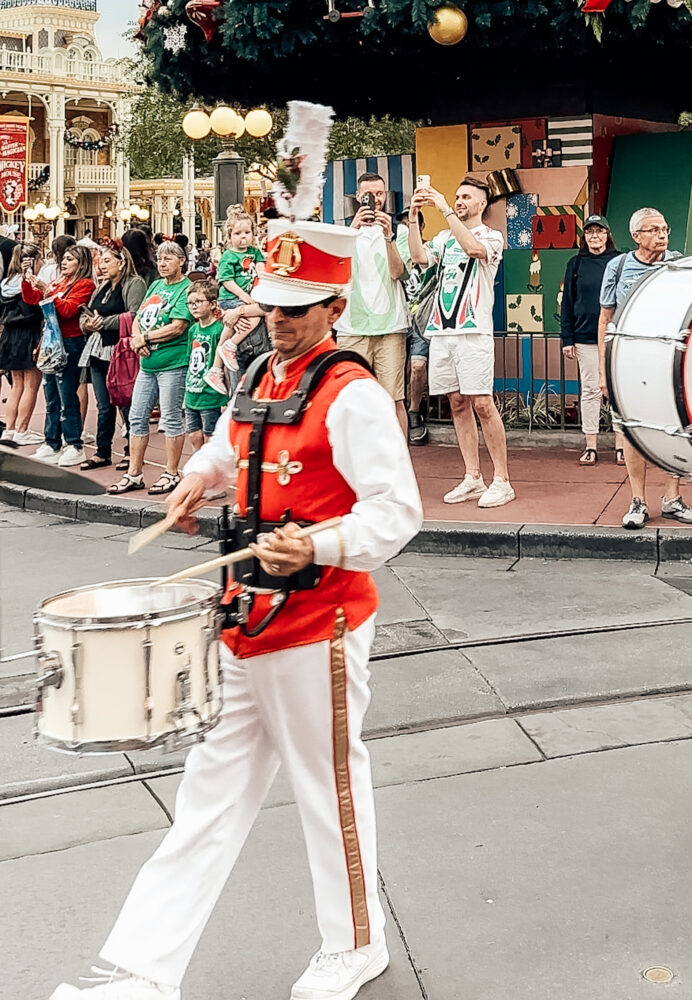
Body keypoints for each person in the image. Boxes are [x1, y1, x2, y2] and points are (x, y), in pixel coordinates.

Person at [47, 216, 423, 1000]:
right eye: (271, 306)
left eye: (294, 308)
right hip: (244, 623)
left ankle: (355, 944)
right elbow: (229, 444)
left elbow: (397, 512)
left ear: (333, 304)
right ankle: (143, 971)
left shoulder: (353, 394)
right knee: (207, 796)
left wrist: (315, 546)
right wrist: (199, 478)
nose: (277, 320)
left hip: (320, 623)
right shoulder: (259, 377)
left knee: (329, 790)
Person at [408, 174, 515, 508]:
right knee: (456, 401)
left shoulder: (491, 236)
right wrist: (413, 217)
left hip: (473, 330)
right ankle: (472, 476)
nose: (459, 201)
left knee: (482, 402)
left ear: (482, 204)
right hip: (443, 330)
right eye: (457, 196)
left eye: (466, 197)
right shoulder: (443, 238)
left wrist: (442, 207)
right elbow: (419, 257)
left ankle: (502, 480)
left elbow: (473, 249)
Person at [597, 207, 692, 529]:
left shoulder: (677, 264)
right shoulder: (618, 267)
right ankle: (638, 500)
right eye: (654, 229)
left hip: (667, 361)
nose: (662, 235)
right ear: (636, 236)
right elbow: (605, 318)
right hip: (627, 362)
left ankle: (672, 497)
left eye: (665, 229)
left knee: (675, 428)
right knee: (631, 430)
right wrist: (603, 370)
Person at [108, 241, 192, 496]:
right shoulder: (155, 285)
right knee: (136, 416)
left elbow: (179, 325)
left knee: (170, 419)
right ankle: (134, 472)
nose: (163, 263)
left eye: (169, 258)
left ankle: (171, 472)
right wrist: (137, 339)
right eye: (160, 258)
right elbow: (139, 317)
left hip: (172, 362)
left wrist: (147, 338)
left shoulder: (185, 289)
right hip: (147, 363)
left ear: (182, 261)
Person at [333, 171, 410, 436]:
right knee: (351, 399)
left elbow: (398, 272)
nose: (374, 200)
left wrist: (388, 236)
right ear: (358, 196)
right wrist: (352, 230)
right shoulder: (342, 234)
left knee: (393, 399)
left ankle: (400, 462)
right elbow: (332, 272)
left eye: (379, 194)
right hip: (352, 328)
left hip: (390, 326)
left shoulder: (399, 231)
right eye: (368, 194)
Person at [22, 243, 95, 467]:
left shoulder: (85, 285)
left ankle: (73, 443)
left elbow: (68, 310)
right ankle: (51, 441)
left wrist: (47, 290)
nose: (64, 262)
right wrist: (28, 279)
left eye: (70, 259)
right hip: (51, 342)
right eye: (63, 258)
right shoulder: (59, 282)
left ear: (81, 264)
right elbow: (32, 300)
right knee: (51, 393)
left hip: (69, 341)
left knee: (67, 393)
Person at [560, 215, 624, 466]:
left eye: (599, 231)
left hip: (615, 336)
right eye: (589, 232)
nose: (594, 236)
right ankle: (591, 445)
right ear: (584, 237)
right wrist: (568, 337)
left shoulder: (619, 261)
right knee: (590, 391)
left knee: (618, 391)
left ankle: (621, 446)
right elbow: (567, 302)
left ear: (608, 234)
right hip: (585, 336)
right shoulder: (575, 264)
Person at [78, 242, 148, 469]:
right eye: (100, 261)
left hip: (121, 349)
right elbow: (86, 313)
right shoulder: (102, 286)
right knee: (104, 403)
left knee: (126, 400)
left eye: (108, 261)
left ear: (122, 262)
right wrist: (88, 324)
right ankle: (103, 450)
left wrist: (103, 323)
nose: (102, 265)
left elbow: (135, 315)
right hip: (98, 349)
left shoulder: (134, 284)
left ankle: (131, 450)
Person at [203, 210, 266, 394]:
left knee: (229, 329)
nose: (243, 237)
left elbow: (261, 269)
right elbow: (226, 280)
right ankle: (231, 346)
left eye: (247, 232)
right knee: (250, 318)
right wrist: (245, 298)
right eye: (238, 233)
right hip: (232, 298)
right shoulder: (229, 256)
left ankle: (216, 368)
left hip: (247, 299)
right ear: (230, 236)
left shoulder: (255, 252)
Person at [0, 243, 45, 446]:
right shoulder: (28, 283)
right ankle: (22, 429)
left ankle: (9, 428)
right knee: (31, 384)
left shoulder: (6, 283)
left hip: (10, 334)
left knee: (16, 384)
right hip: (29, 333)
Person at [182, 280, 228, 452]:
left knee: (210, 436)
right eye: (190, 303)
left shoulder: (219, 329)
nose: (193, 307)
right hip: (192, 392)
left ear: (213, 304)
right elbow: (190, 359)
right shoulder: (193, 330)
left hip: (210, 394)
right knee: (194, 434)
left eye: (198, 302)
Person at [399, 208, 431, 445]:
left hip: (422, 319)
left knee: (418, 366)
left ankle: (414, 411)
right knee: (396, 369)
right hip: (397, 318)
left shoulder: (431, 251)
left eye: (411, 224)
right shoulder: (394, 252)